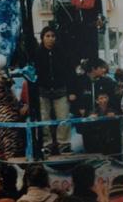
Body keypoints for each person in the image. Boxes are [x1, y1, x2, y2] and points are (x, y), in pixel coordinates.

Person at [34, 26, 77, 154]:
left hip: (61, 90)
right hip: (43, 91)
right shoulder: (37, 53)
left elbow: (70, 73)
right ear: (42, 38)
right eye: (47, 36)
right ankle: (46, 144)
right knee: (44, 118)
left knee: (63, 118)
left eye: (53, 36)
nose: (50, 39)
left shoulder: (62, 53)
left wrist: (72, 91)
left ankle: (63, 144)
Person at [75, 58, 118, 153]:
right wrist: (83, 113)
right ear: (93, 69)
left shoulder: (108, 82)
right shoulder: (80, 82)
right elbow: (77, 101)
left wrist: (111, 111)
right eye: (100, 68)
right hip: (88, 123)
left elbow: (114, 100)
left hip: (104, 124)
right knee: (90, 148)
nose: (103, 70)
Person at [70, 0, 103, 65]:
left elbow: (98, 3)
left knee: (91, 49)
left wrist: (99, 17)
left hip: (90, 22)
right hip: (78, 23)